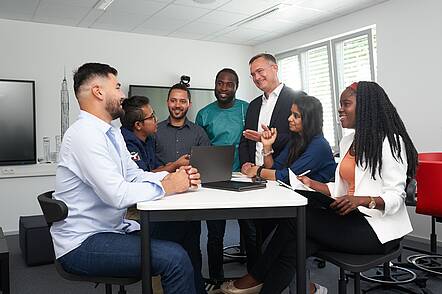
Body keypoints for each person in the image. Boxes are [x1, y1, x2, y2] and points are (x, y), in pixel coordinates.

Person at [221, 81, 418, 294]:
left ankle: (255, 277)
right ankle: (274, 285)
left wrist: (362, 200)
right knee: (294, 246)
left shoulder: (390, 142)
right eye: (340, 104)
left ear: (366, 107)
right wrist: (314, 185)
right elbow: (342, 191)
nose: (340, 109)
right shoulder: (349, 140)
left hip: (378, 230)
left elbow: (396, 196)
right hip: (352, 217)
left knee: (296, 218)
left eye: (346, 104)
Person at [51, 63, 201, 294]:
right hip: (83, 242)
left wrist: (174, 176)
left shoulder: (111, 133)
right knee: (175, 258)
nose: (122, 95)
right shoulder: (84, 135)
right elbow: (117, 194)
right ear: (98, 91)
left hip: (113, 228)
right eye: (117, 87)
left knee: (184, 228)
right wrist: (167, 186)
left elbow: (134, 175)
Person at [195, 68, 255, 290]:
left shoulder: (245, 109)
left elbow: (251, 140)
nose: (223, 88)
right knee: (215, 233)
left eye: (229, 84)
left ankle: (254, 275)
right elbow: (200, 146)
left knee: (250, 230)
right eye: (220, 83)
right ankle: (216, 279)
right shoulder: (204, 113)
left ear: (236, 87)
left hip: (243, 176)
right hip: (214, 178)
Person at [153, 83, 211, 294]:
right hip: (160, 199)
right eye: (174, 100)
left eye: (182, 101)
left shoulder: (199, 132)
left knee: (193, 249)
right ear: (168, 102)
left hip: (190, 200)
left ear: (189, 104)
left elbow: (207, 168)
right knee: (162, 249)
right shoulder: (155, 131)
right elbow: (146, 170)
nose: (177, 105)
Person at [241, 95, 336, 185]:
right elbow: (273, 168)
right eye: (291, 114)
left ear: (309, 119)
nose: (289, 118)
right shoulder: (296, 140)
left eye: (296, 116)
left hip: (317, 198)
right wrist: (267, 146)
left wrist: (257, 171)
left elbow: (287, 176)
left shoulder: (319, 145)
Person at [120, 95, 190, 173]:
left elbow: (155, 168)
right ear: (138, 125)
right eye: (151, 117)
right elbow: (142, 177)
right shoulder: (126, 143)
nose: (156, 119)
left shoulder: (149, 138)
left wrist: (171, 165)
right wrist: (175, 165)